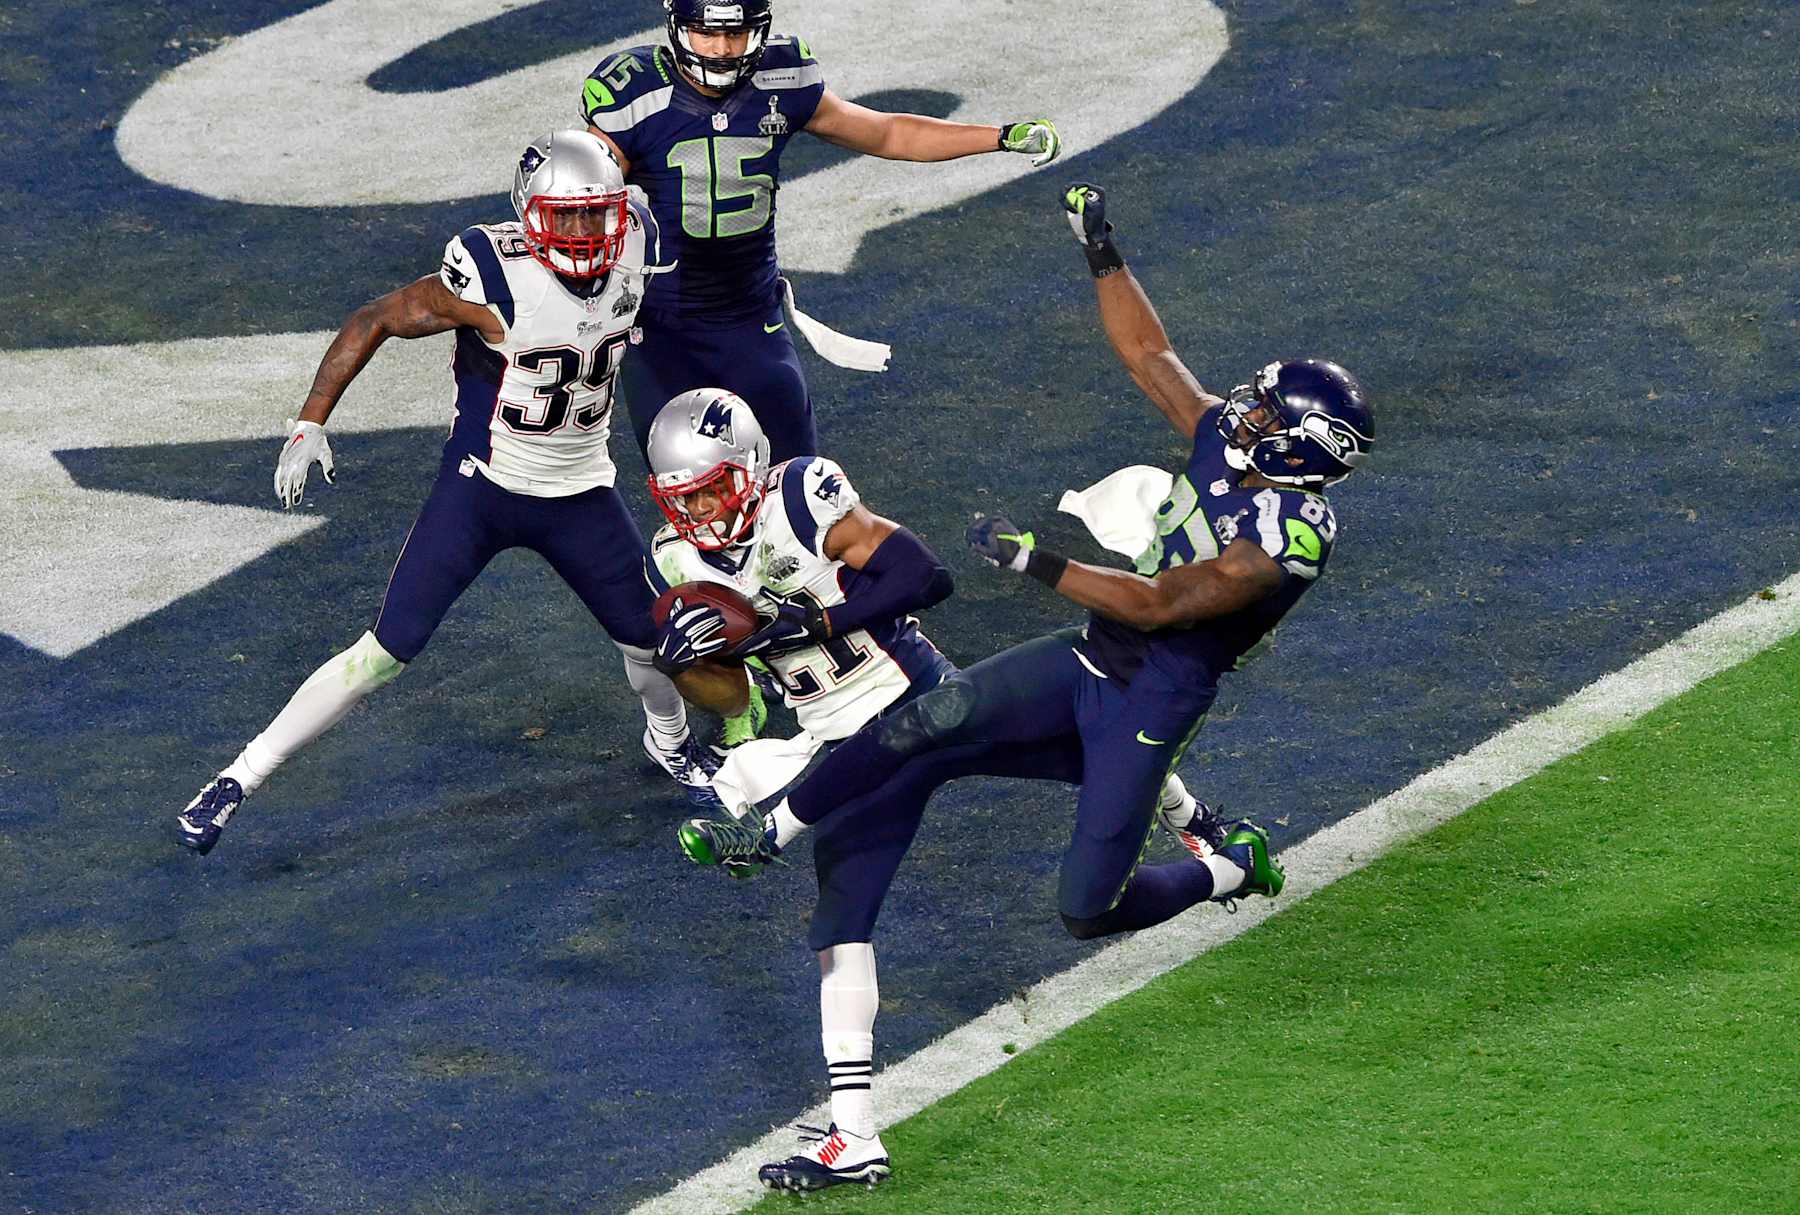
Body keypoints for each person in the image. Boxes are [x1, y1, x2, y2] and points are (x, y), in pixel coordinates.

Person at [680, 180, 1375, 940]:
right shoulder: (1227, 443)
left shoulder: (1292, 534)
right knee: (927, 718)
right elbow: (1151, 357)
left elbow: (1160, 604)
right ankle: (764, 834)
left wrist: (1035, 561)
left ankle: (1229, 865)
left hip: (1157, 693)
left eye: (1269, 412)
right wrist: (1101, 251)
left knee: (1086, 909)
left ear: (1305, 446)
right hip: (1092, 653)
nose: (1246, 408)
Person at [175, 129, 721, 856]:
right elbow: (375, 317)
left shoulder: (636, 241)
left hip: (580, 488)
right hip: (483, 488)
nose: (589, 233)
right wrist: (309, 420)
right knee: (385, 649)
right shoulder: (492, 274)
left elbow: (665, 308)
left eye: (598, 214)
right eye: (569, 217)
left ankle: (671, 742)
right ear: (529, 216)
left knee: (651, 643)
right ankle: (240, 776)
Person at [642, 387, 965, 1191]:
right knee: (838, 923)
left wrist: (817, 623)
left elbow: (925, 574)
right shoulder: (676, 558)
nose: (702, 513)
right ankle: (853, 1135)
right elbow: (729, 699)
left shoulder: (801, 491)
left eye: (713, 490)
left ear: (748, 467)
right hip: (835, 736)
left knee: (1070, 727)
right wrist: (690, 666)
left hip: (919, 693)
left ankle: (1193, 822)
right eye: (685, 499)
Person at [581, 0, 1062, 465]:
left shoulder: (782, 77)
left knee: (797, 480)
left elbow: (888, 132)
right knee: (689, 487)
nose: (723, 49)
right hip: (664, 327)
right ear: (677, 27)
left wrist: (996, 136)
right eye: (707, 32)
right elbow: (577, 209)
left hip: (750, 317)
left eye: (736, 32)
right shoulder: (634, 93)